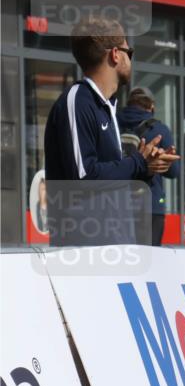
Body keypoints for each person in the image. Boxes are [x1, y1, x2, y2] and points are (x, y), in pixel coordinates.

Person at [44, 17, 178, 245]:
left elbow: (108, 178)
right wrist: (137, 163)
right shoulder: (78, 100)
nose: (130, 59)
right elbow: (84, 176)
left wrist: (146, 169)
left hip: (113, 242)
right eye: (130, 51)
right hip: (85, 248)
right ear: (115, 54)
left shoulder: (106, 106)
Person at [117, 86, 179, 246]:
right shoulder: (159, 129)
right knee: (149, 258)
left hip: (116, 204)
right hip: (150, 204)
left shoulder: (112, 123)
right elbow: (174, 172)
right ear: (151, 106)